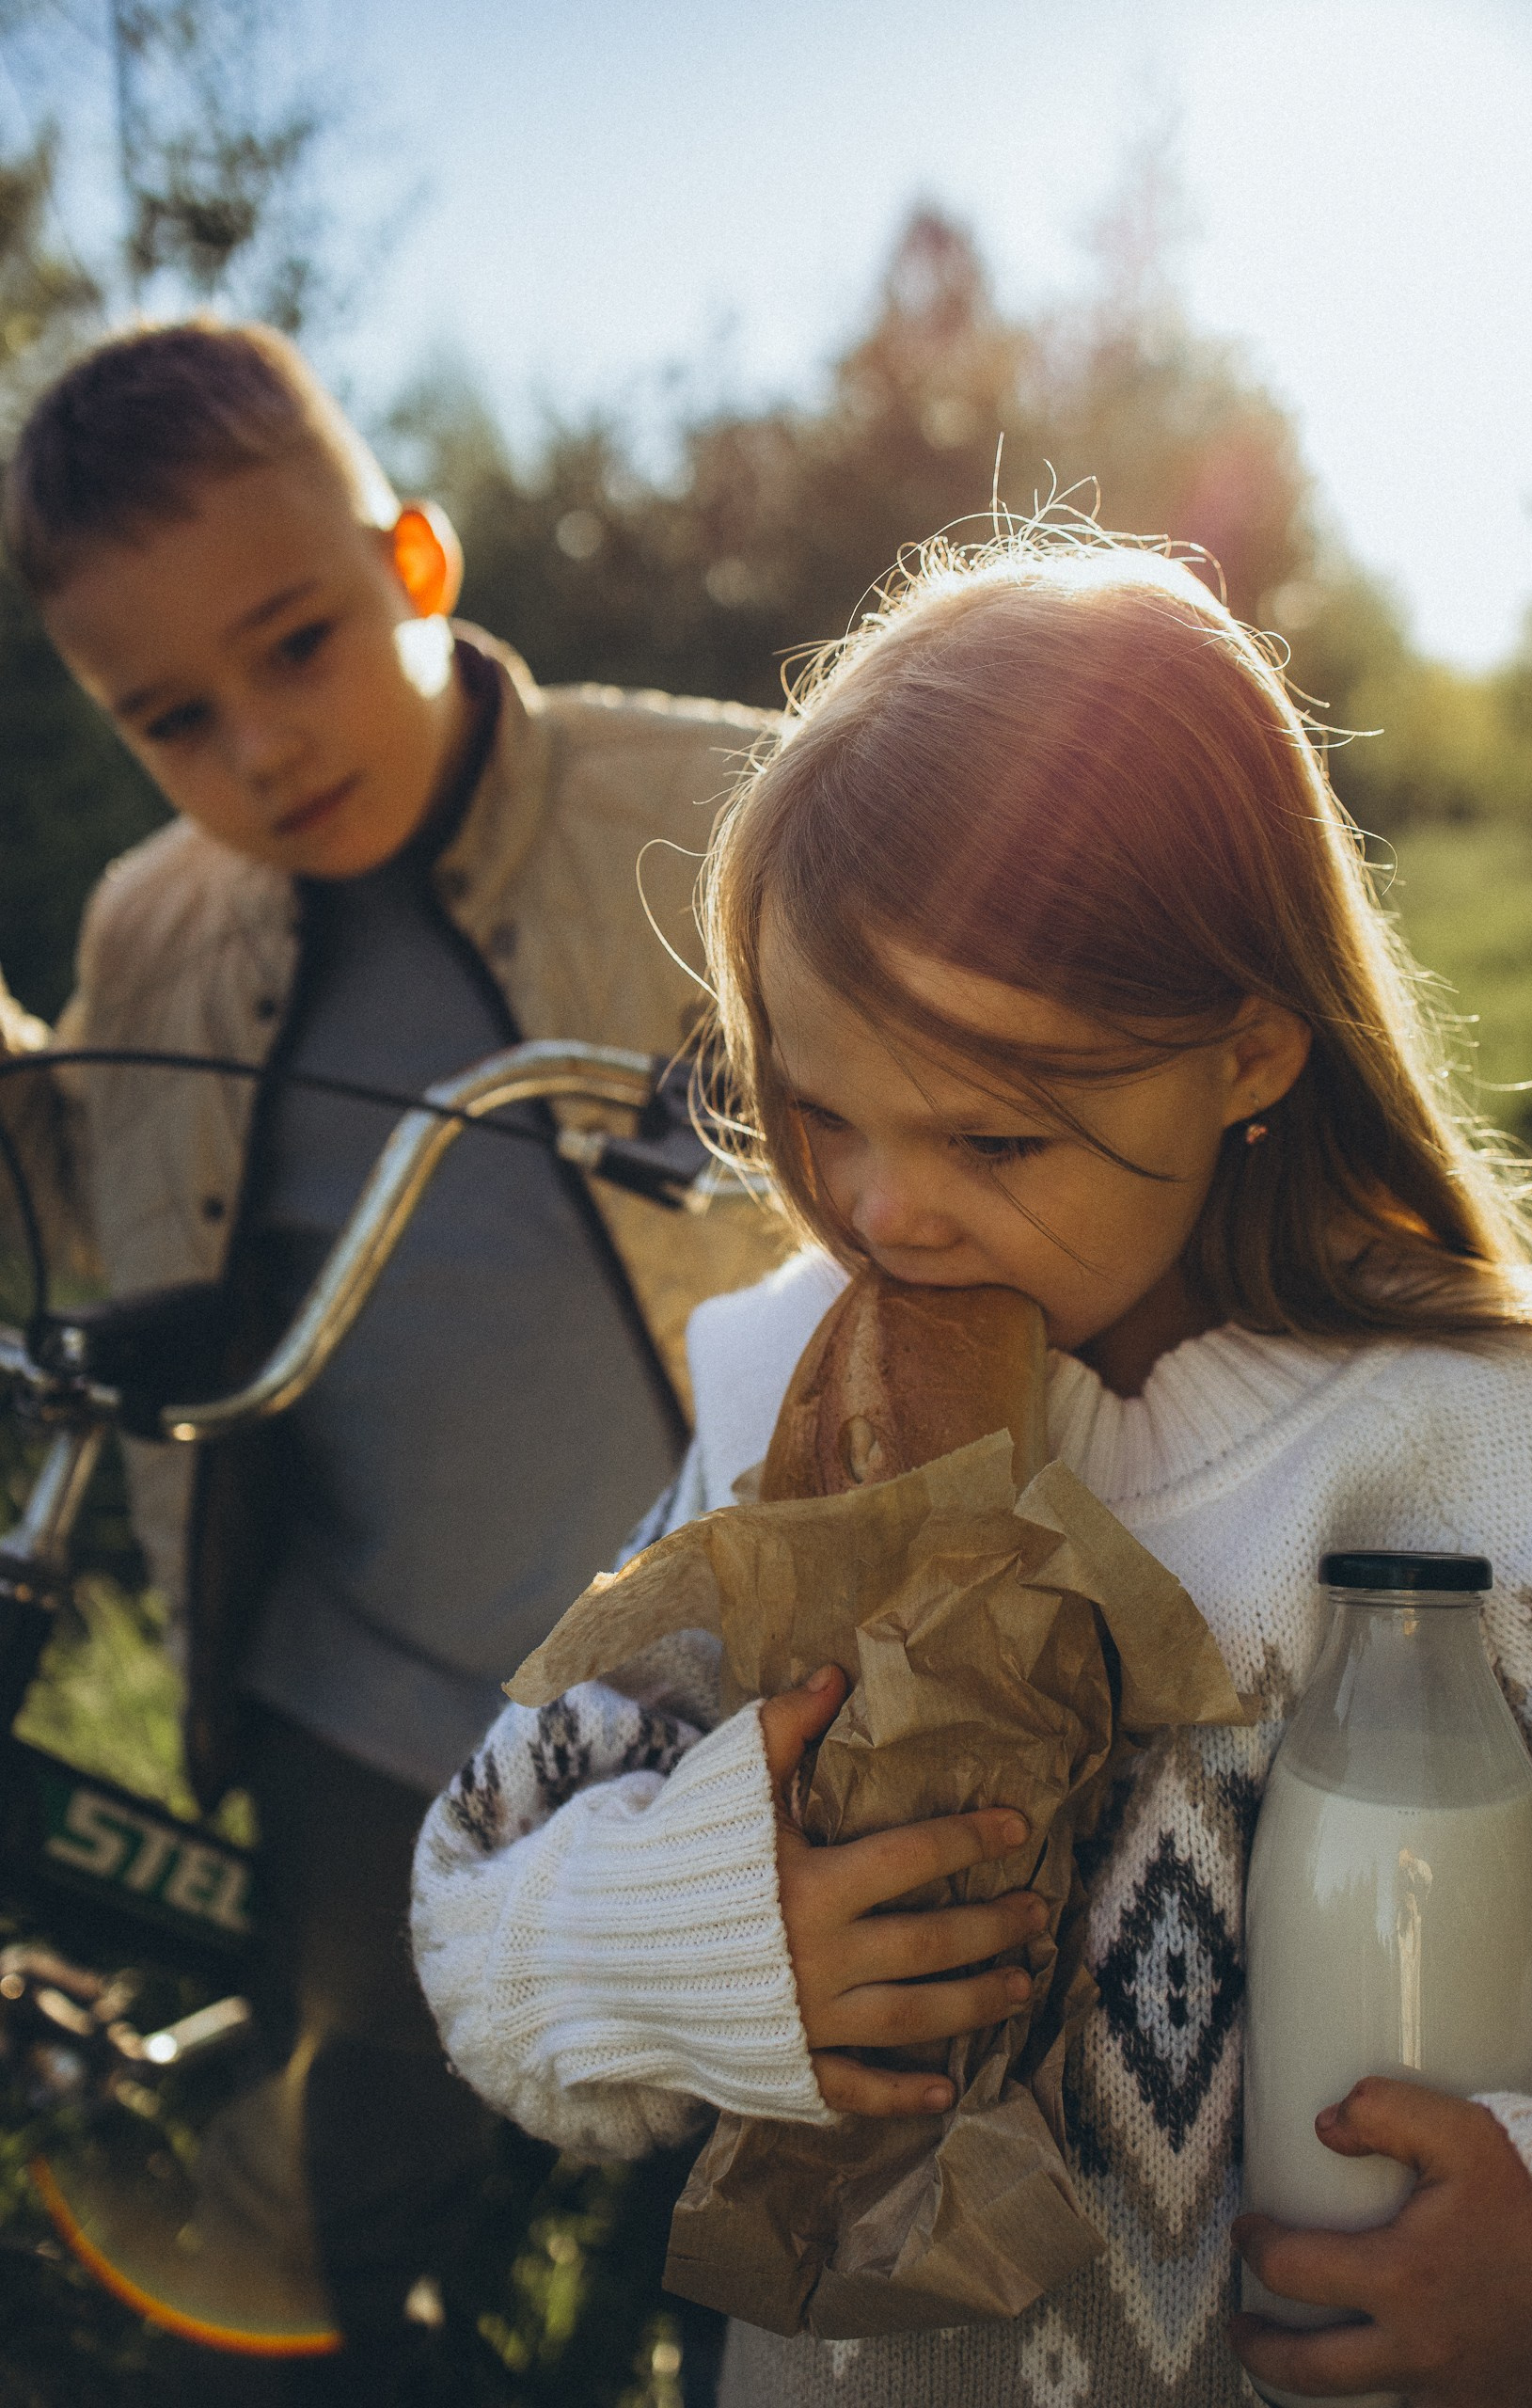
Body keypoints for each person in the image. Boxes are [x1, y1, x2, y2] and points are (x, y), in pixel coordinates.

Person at [411, 532, 1532, 2408]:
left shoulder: (1519, 1477)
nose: (883, 1208)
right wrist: (718, 1940)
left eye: (992, 1129)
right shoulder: (784, 1432)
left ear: (1245, 1051)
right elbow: (472, 1901)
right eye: (813, 1107)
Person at [0, 319, 780, 2389]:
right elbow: (69, 1205)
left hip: (745, 1693)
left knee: (778, 2235)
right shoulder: (155, 930)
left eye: (299, 640)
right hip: (369, 1709)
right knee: (344, 2218)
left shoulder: (714, 811)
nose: (260, 746)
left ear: (415, 562)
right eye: (171, 715)